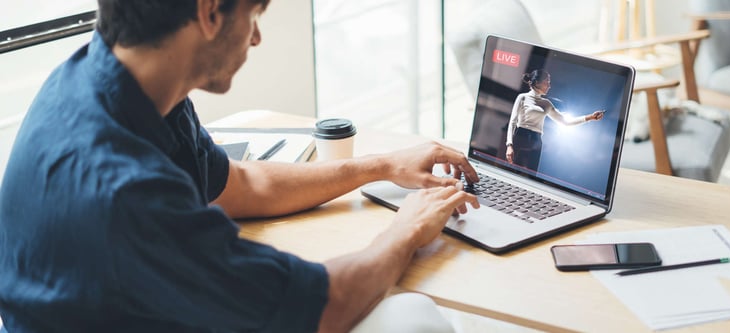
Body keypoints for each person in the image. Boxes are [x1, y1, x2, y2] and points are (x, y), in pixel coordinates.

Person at [0, 0, 480, 332]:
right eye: (253, 14)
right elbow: (323, 312)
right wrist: (408, 229)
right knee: (414, 316)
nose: (255, 36)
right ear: (210, 12)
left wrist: (381, 165)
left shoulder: (110, 81)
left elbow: (242, 184)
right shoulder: (125, 190)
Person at [505, 69, 605, 170]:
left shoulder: (546, 103)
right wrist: (509, 145)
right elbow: (512, 122)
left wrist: (590, 117)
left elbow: (565, 122)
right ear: (537, 82)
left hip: (536, 140)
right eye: (547, 82)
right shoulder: (522, 97)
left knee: (531, 175)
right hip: (520, 136)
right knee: (511, 171)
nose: (549, 86)